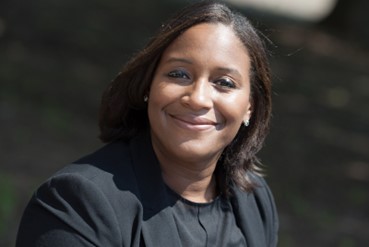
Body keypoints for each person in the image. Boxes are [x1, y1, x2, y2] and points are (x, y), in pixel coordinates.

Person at [16, 1, 278, 246]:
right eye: (179, 74)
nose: (198, 98)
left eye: (224, 83)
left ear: (249, 107)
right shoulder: (77, 204)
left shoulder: (253, 199)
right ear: (148, 87)